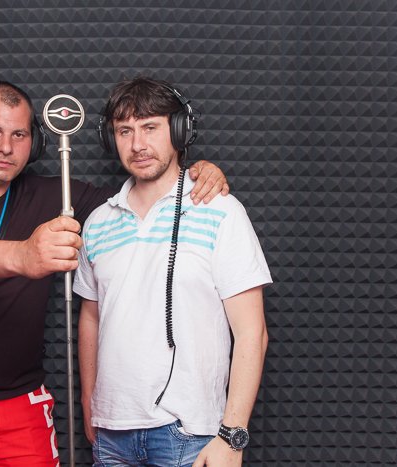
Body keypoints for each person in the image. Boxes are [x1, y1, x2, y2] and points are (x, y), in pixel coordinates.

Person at [0, 80, 230, 466]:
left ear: (35, 142)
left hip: (23, 405)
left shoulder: (61, 194)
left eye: (19, 135)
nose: (6, 147)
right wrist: (24, 255)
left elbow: (142, 196)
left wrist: (197, 172)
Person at [73, 76, 272, 467]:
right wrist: (88, 400)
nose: (137, 144)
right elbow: (91, 317)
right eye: (124, 131)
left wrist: (232, 436)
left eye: (150, 128)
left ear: (180, 131)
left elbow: (253, 332)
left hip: (189, 434)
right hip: (111, 435)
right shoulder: (97, 222)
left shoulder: (220, 212)